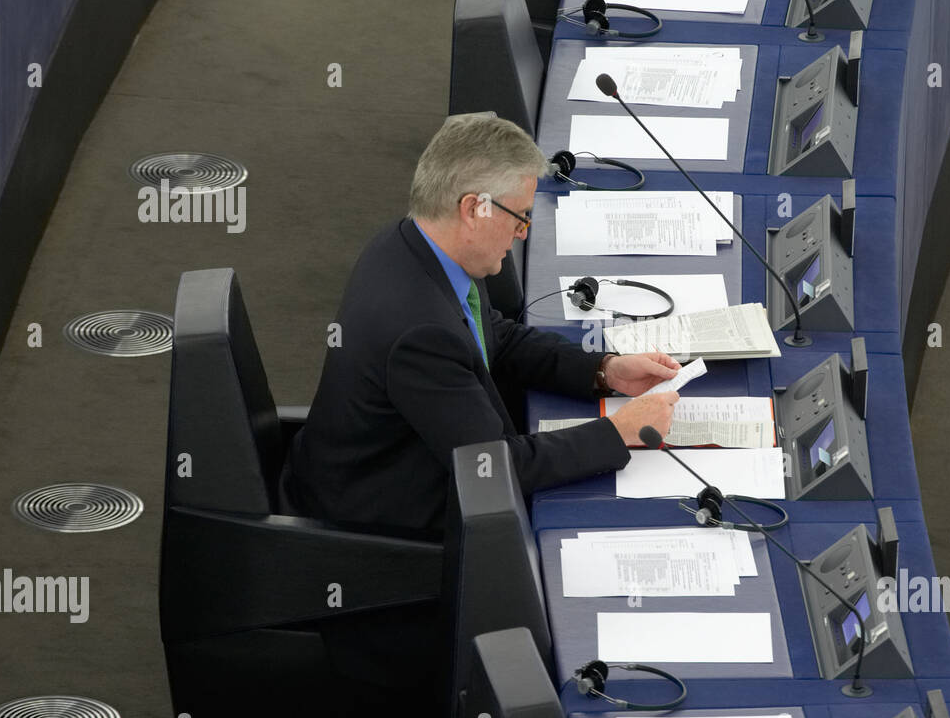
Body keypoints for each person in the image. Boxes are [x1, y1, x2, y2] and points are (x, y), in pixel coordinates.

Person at [287, 113, 679, 539]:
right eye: (521, 217)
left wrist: (603, 370)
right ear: (475, 209)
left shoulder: (413, 245)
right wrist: (617, 434)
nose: (524, 233)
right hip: (383, 531)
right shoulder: (420, 333)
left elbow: (497, 339)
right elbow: (490, 467)